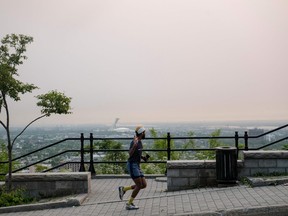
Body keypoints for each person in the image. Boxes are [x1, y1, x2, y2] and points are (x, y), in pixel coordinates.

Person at [118, 125, 149, 210]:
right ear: (142, 133)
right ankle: (129, 203)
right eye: (144, 132)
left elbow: (138, 153)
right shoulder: (134, 142)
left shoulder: (140, 142)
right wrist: (134, 145)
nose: (145, 134)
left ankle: (124, 189)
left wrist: (143, 158)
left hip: (137, 165)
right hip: (132, 165)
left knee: (144, 185)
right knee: (139, 185)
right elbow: (130, 153)